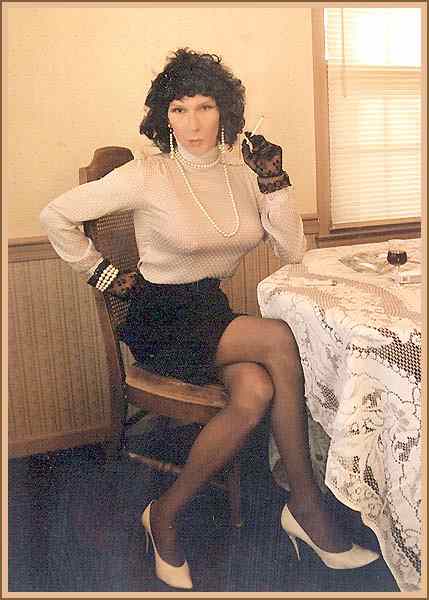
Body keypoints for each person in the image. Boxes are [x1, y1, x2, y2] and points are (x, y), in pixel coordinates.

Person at [40, 48, 379, 590]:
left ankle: (164, 514)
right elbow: (54, 215)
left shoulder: (241, 171)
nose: (193, 123)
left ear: (224, 112)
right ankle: (306, 504)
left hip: (209, 311)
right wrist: (102, 274)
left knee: (256, 391)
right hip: (160, 315)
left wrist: (274, 182)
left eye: (204, 107)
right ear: (165, 117)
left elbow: (292, 251)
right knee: (278, 338)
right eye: (179, 110)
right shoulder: (147, 173)